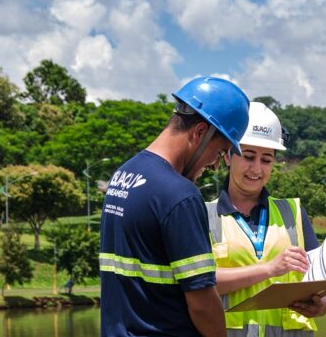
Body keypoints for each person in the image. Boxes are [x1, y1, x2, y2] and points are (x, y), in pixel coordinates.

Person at [99, 77, 251, 337]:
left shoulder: (123, 175)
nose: (216, 165)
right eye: (219, 152)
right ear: (200, 132)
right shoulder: (180, 195)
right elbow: (202, 304)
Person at [205, 101, 326, 337]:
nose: (257, 169)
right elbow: (199, 282)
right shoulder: (203, 215)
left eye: (266, 160)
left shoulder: (293, 213)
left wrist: (321, 305)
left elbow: (321, 283)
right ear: (228, 156)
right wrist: (269, 269)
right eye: (248, 156)